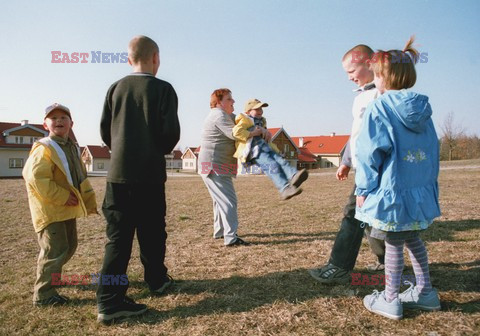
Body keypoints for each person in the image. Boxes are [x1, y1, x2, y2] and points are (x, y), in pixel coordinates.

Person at [356, 36, 441, 320]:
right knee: (412, 237)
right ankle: (426, 293)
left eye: (377, 74)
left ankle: (390, 299)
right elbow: (432, 150)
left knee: (393, 240)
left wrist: (364, 188)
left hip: (391, 190)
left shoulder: (379, 107)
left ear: (383, 76)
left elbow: (370, 152)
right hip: (417, 190)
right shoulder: (423, 110)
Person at [97, 35, 180, 324]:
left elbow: (105, 132)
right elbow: (171, 134)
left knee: (117, 239)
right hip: (150, 174)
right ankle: (157, 280)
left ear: (129, 59)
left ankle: (109, 300)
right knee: (153, 231)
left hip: (117, 175)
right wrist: (153, 148)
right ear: (156, 58)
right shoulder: (163, 89)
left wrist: (122, 149)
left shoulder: (115, 88)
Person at [308, 45, 386, 284]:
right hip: (363, 168)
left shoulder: (381, 93)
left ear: (370, 63)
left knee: (355, 214)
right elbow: (357, 134)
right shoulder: (360, 95)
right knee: (368, 215)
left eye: (352, 69)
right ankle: (388, 262)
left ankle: (340, 267)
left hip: (378, 168)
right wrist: (346, 161)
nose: (349, 76)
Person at [23, 103, 97, 306]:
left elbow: (78, 175)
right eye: (53, 118)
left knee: (69, 246)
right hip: (50, 209)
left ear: (72, 123)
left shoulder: (72, 146)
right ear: (45, 124)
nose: (59, 121)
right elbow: (36, 178)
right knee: (54, 251)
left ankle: (52, 277)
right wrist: (62, 196)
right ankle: (44, 295)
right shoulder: (44, 148)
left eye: (63, 118)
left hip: (66, 208)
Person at [199, 89, 262, 247]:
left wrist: (259, 127)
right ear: (219, 102)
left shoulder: (225, 115)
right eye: (229, 99)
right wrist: (258, 132)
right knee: (229, 201)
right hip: (215, 166)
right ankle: (231, 238)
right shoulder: (218, 115)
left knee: (219, 201)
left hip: (215, 165)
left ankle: (220, 232)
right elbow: (236, 134)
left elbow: (244, 122)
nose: (233, 101)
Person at [233, 98, 308, 200]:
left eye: (261, 109)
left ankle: (294, 175)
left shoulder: (261, 122)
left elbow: (267, 140)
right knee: (272, 166)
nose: (261, 111)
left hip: (265, 147)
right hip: (255, 151)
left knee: (281, 161)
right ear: (248, 111)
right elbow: (236, 133)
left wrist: (276, 150)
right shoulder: (244, 119)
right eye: (257, 109)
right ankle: (284, 189)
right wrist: (253, 133)